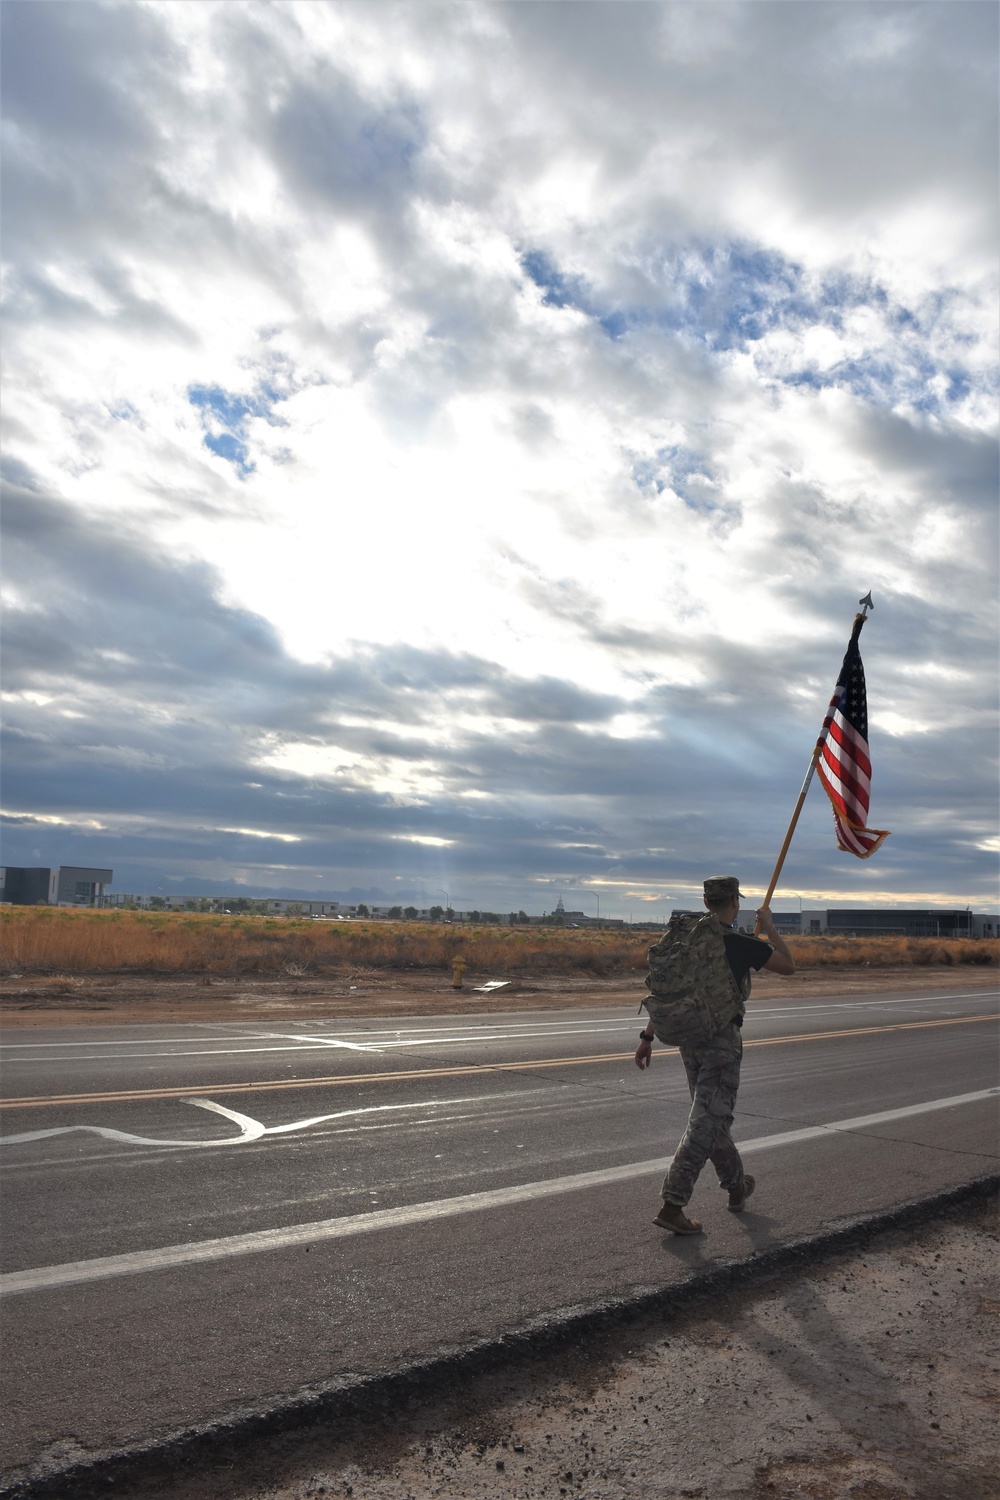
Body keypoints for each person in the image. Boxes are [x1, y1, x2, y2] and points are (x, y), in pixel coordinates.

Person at [635, 876, 795, 1235]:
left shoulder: (686, 941)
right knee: (706, 1122)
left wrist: (647, 1036)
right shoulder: (738, 943)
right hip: (721, 1043)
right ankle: (673, 1203)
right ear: (734, 904)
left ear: (707, 903)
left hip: (688, 1041)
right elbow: (789, 964)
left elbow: (673, 990)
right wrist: (769, 928)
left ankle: (737, 1187)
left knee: (713, 1119)